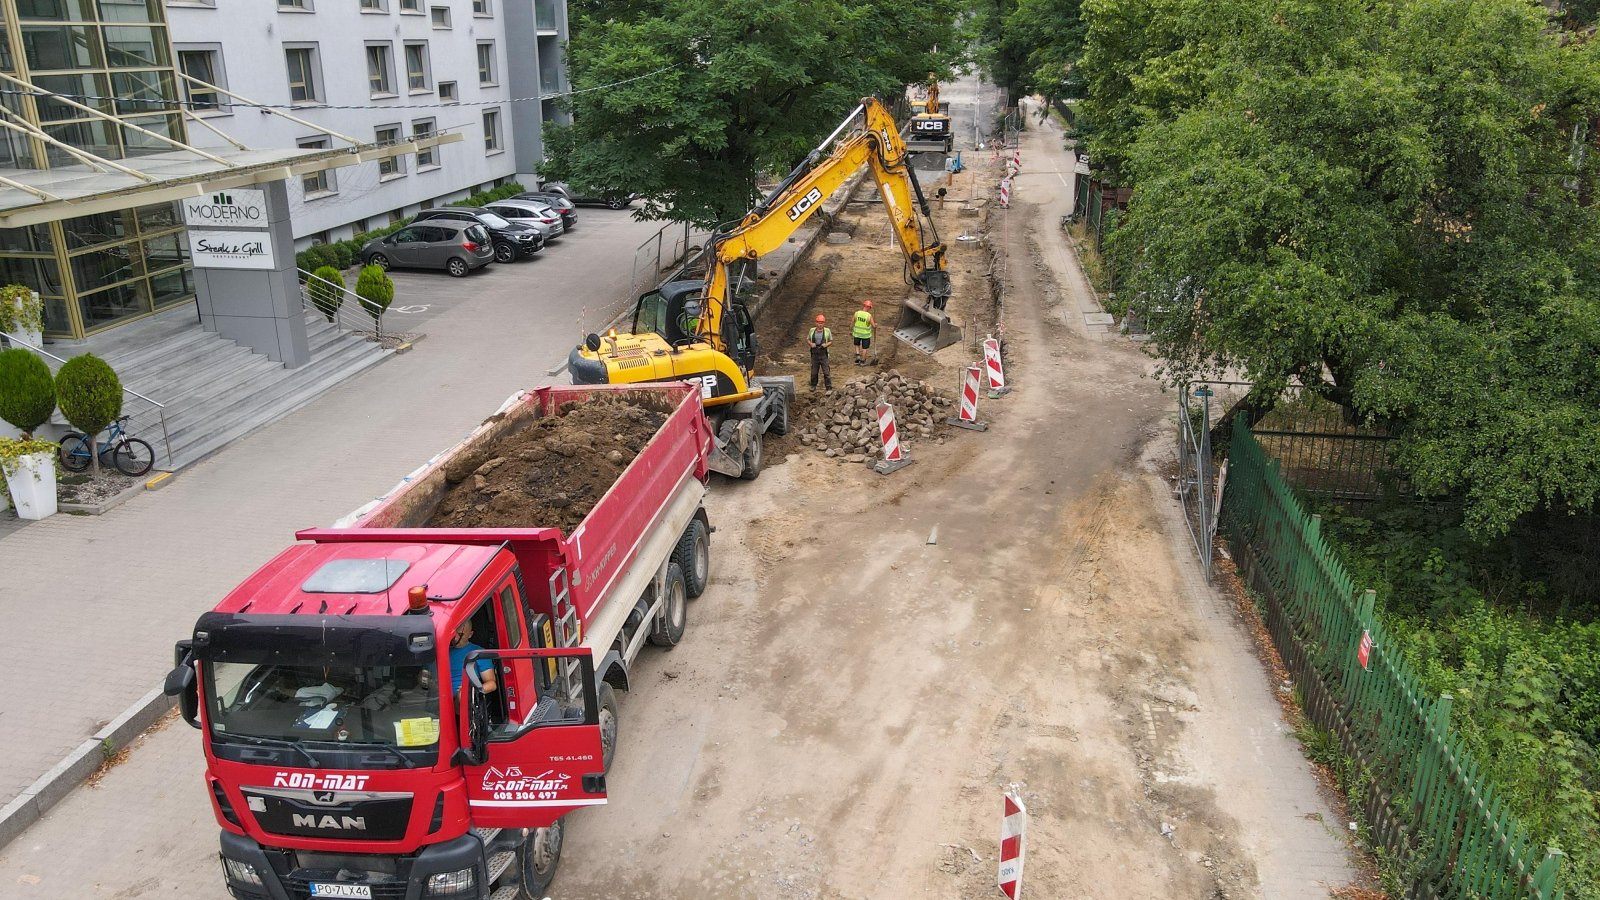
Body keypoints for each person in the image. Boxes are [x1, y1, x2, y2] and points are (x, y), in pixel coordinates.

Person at [448, 621, 497, 696]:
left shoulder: (478, 652)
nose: (456, 637)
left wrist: (469, 691)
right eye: (454, 633)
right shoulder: (443, 651)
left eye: (460, 634)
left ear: (470, 634)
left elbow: (492, 684)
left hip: (462, 699)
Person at [807, 313, 833, 392]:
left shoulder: (827, 331)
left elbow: (831, 341)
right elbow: (807, 339)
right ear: (816, 323)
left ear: (824, 323)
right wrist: (811, 344)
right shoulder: (812, 330)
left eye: (822, 323)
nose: (820, 324)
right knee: (814, 372)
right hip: (814, 354)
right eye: (819, 322)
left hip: (823, 353)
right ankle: (813, 385)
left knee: (826, 372)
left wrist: (826, 345)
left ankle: (828, 387)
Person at [852, 300, 876, 365]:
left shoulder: (857, 313)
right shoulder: (869, 316)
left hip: (857, 333)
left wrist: (850, 329)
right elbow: (873, 326)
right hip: (865, 335)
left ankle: (858, 356)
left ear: (864, 305)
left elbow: (852, 322)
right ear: (868, 307)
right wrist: (875, 325)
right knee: (864, 348)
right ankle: (862, 361)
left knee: (857, 344)